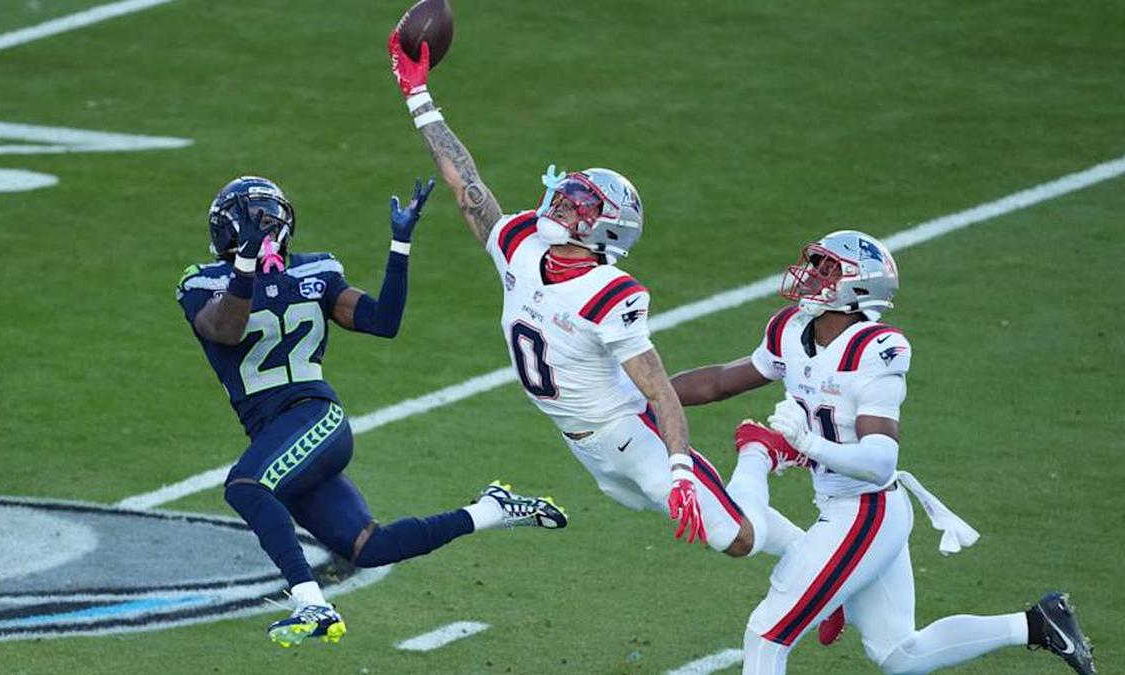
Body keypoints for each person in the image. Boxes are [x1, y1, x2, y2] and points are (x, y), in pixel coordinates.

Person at [384, 34, 807, 563]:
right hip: (583, 445)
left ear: (603, 230)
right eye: (569, 195)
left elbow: (659, 392)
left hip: (631, 437)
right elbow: (465, 182)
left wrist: (678, 467)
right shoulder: (520, 244)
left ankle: (757, 454)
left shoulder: (609, 293)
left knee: (737, 540)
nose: (563, 203)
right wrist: (418, 96)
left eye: (580, 205)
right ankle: (819, 558)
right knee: (724, 517)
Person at [671, 230, 1096, 675]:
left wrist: (808, 443)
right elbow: (720, 381)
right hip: (852, 507)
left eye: (827, 268)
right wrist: (649, 393)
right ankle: (1036, 624)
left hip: (866, 509)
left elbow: (880, 462)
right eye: (815, 263)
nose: (812, 275)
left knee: (766, 634)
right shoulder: (791, 328)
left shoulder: (873, 350)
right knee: (898, 654)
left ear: (857, 287)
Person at [176, 175, 567, 648]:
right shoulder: (203, 282)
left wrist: (399, 247)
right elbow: (225, 330)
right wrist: (244, 267)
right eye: (255, 221)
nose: (265, 228)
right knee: (368, 546)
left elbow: (383, 322)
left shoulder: (313, 272)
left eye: (268, 220)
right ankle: (490, 510)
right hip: (275, 431)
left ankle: (312, 603)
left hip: (314, 415)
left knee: (247, 487)